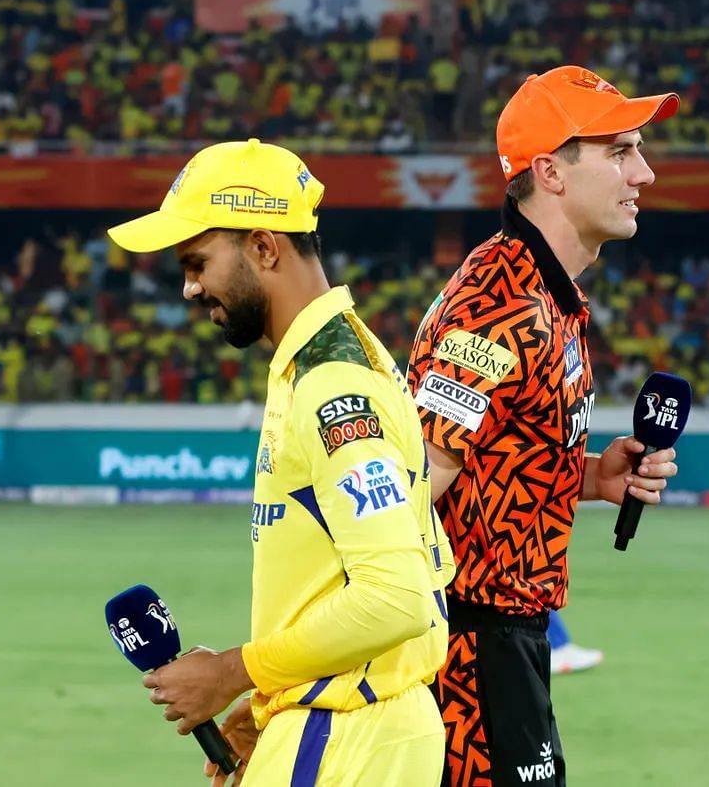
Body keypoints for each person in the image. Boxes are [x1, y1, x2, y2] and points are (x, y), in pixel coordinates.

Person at [105, 139, 455, 787]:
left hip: (344, 732)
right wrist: (274, 701)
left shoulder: (332, 385)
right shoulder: (334, 361)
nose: (187, 287)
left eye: (196, 262)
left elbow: (396, 598)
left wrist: (234, 670)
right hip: (350, 721)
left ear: (264, 248)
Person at [407, 66, 683, 786]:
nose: (644, 173)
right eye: (619, 152)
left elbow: (483, 453)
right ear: (547, 173)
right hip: (464, 659)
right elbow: (403, 491)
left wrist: (590, 475)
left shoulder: (543, 295)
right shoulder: (497, 306)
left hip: (501, 646)